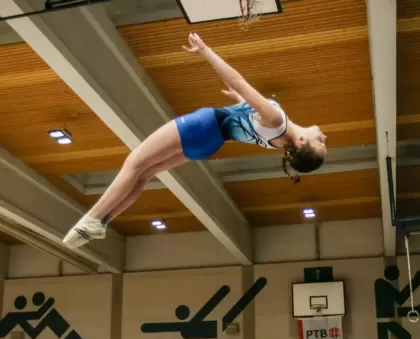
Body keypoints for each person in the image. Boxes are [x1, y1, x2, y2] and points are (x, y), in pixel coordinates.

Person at [63, 32, 328, 249]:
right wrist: (240, 103)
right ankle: (105, 221)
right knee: (144, 174)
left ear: (302, 140)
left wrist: (205, 51)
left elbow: (238, 80)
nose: (324, 136)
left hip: (203, 125)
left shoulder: (276, 117)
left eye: (321, 143)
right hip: (209, 145)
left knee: (134, 163)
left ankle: (91, 218)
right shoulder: (280, 141)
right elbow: (251, 122)